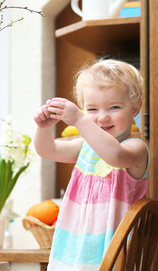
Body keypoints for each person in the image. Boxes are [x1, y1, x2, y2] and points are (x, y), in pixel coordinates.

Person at [33, 58, 149, 270]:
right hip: (76, 244)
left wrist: (79, 120)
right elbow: (47, 150)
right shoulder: (85, 147)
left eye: (114, 107)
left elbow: (114, 155)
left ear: (135, 109)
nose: (103, 117)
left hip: (116, 247)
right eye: (92, 109)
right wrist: (43, 128)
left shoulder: (136, 148)